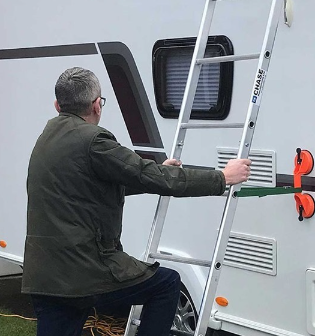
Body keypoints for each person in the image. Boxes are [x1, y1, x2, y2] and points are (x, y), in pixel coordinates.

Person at [22, 67, 251, 336]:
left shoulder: (46, 139)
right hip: (84, 272)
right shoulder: (94, 141)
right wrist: (222, 177)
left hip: (45, 276)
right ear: (97, 105)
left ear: (57, 105)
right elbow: (146, 174)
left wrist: (155, 172)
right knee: (167, 284)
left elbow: (92, 187)